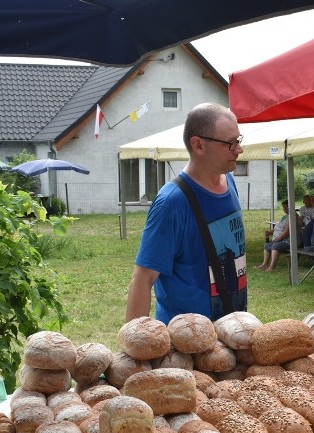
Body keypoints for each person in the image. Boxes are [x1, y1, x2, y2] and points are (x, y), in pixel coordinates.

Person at [125, 102, 247, 324]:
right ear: (198, 145)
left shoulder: (229, 180)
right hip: (187, 344)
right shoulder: (171, 203)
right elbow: (142, 279)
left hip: (230, 331)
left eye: (238, 140)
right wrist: (135, 348)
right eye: (230, 143)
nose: (239, 150)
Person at [256, 200, 299, 271]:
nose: (284, 209)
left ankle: (271, 267)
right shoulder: (285, 217)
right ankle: (264, 264)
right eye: (283, 208)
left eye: (285, 208)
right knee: (267, 245)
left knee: (275, 246)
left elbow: (287, 232)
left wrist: (277, 239)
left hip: (288, 241)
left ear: (290, 207)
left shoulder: (292, 216)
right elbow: (279, 228)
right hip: (280, 239)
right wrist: (271, 232)